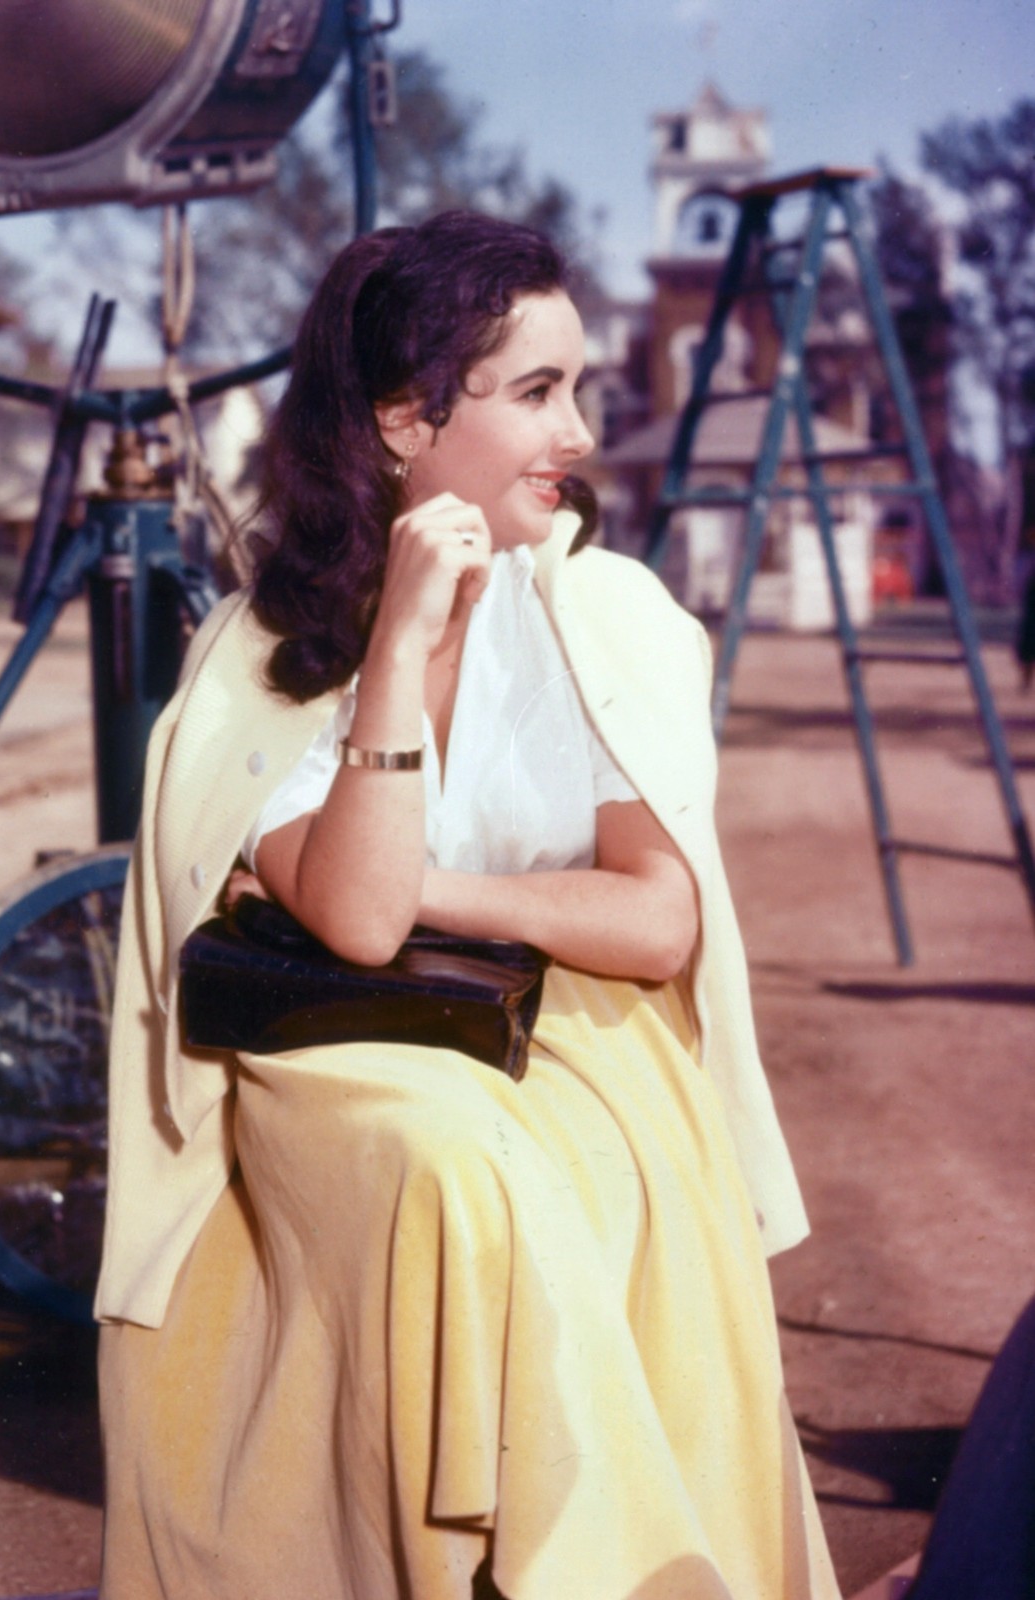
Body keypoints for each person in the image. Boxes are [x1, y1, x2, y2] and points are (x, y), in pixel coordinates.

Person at [95, 210, 841, 1600]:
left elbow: (654, 921)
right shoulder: (262, 647)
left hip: (570, 1034)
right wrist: (394, 649)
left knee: (486, 1170)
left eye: (579, 387)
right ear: (402, 420)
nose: (579, 433)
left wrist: (435, 886)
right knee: (444, 1164)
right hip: (333, 1052)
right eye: (536, 391)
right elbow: (360, 935)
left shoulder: (606, 618)